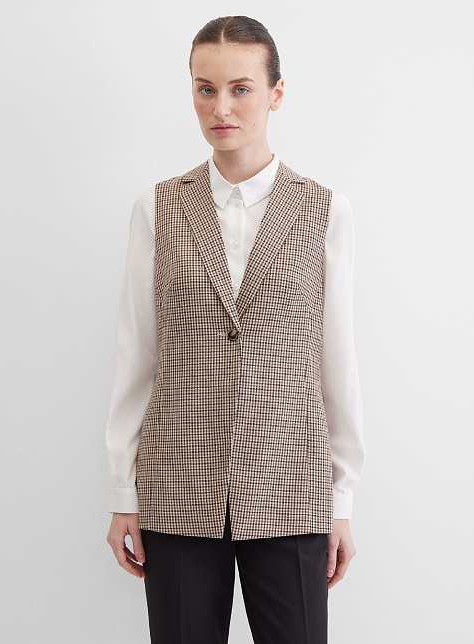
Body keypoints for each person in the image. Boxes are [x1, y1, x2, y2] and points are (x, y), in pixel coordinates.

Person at [105, 15, 365, 644]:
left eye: (241, 88)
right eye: (206, 89)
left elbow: (336, 360)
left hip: (290, 489)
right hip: (178, 489)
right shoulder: (158, 207)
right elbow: (137, 357)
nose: (221, 108)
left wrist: (341, 500)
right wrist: (122, 492)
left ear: (276, 92)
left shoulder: (324, 209)